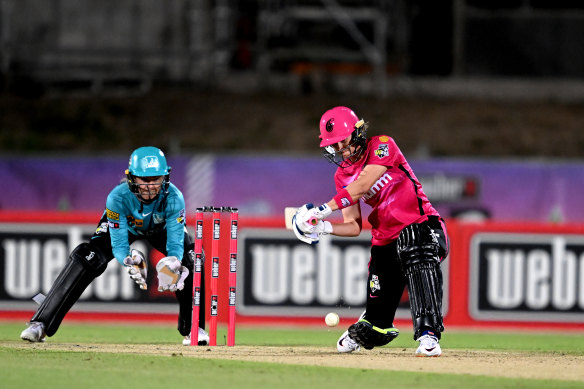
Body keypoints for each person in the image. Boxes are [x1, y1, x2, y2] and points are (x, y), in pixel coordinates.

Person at [292, 106, 449, 357]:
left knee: (415, 248)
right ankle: (369, 320)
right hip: (385, 241)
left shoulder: (382, 145)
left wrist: (322, 209)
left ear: (357, 134)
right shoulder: (341, 175)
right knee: (374, 327)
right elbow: (354, 226)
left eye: (341, 142)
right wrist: (323, 227)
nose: (338, 150)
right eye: (332, 145)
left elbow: (363, 184)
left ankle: (428, 335)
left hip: (423, 227)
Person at [20, 146, 208, 346]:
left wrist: (173, 262)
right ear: (132, 177)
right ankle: (40, 323)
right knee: (87, 256)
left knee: (191, 257)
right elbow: (118, 244)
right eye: (145, 179)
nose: (151, 186)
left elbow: (175, 241)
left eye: (156, 179)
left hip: (160, 230)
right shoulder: (117, 197)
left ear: (165, 176)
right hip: (126, 228)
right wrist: (129, 260)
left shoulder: (174, 197)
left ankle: (195, 328)